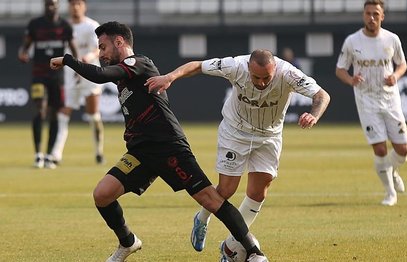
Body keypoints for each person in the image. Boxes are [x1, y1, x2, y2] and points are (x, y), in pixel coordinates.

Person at [50, 21, 268, 262]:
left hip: (168, 146)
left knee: (210, 199)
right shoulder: (123, 77)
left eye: (103, 47)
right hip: (140, 153)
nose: (100, 54)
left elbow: (100, 76)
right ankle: (128, 242)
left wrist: (68, 60)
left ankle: (253, 252)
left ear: (119, 42)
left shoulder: (138, 63)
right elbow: (106, 75)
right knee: (102, 195)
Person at [145, 49, 331, 260]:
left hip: (269, 136)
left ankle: (231, 246)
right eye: (256, 77)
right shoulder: (235, 66)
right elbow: (197, 65)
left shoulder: (288, 73)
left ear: (275, 69)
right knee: (226, 190)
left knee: (258, 193)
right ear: (248, 68)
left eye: (266, 78)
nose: (261, 83)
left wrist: (314, 115)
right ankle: (202, 218)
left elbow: (322, 95)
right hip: (235, 132)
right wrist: (170, 77)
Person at [336, 0, 407, 206]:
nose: (371, 18)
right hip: (366, 100)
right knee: (379, 149)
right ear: (363, 15)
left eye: (376, 14)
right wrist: (351, 80)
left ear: (382, 16)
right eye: (368, 13)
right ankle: (389, 193)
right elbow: (340, 69)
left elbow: (402, 64)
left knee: (403, 150)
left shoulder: (391, 39)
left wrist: (395, 75)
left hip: (390, 99)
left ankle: (392, 170)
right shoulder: (352, 41)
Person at [18, 0, 77, 169]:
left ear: (58, 6)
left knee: (54, 114)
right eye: (47, 4)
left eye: (53, 4)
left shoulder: (65, 26)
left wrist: (79, 69)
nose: (50, 7)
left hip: (57, 77)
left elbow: (73, 50)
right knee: (40, 110)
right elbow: (25, 47)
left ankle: (50, 155)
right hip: (39, 75)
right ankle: (38, 155)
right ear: (43, 6)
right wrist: (22, 54)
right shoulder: (35, 24)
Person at [51, 0, 105, 165]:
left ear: (84, 6)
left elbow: (99, 48)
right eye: (72, 4)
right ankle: (56, 154)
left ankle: (98, 151)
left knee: (93, 116)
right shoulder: (64, 26)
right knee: (63, 113)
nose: (75, 7)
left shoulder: (91, 26)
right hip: (70, 75)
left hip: (90, 73)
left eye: (78, 4)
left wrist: (89, 57)